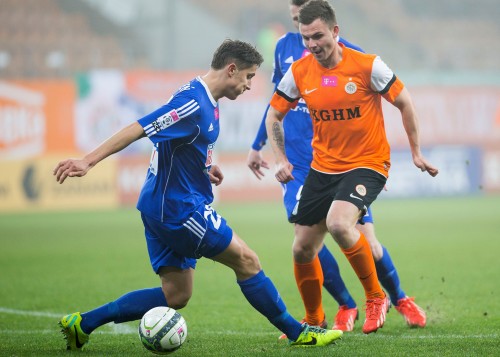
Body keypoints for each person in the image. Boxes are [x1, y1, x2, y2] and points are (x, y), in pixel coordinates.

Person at [53, 39, 343, 350]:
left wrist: (205, 168)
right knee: (247, 260)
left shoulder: (204, 96)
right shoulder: (192, 103)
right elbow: (139, 128)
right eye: (248, 77)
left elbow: (178, 144)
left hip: (159, 205)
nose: (248, 86)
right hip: (179, 210)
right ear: (231, 69)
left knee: (176, 295)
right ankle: (302, 333)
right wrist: (87, 161)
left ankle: (82, 323)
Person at [248, 0, 428, 335]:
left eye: (318, 36)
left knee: (342, 226)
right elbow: (274, 112)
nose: (312, 44)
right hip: (321, 167)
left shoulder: (366, 63)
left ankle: (380, 297)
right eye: (306, 38)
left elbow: (404, 101)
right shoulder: (298, 68)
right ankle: (315, 319)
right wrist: (279, 156)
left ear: (335, 31)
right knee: (302, 246)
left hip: (366, 163)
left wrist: (415, 152)